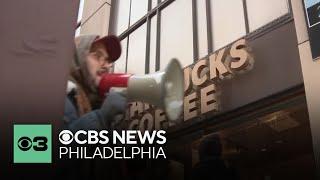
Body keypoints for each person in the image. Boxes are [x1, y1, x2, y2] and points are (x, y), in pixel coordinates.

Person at [64, 34, 127, 131]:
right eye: (98, 56)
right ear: (78, 56)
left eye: (107, 60)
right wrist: (101, 118)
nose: (106, 66)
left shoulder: (91, 103)